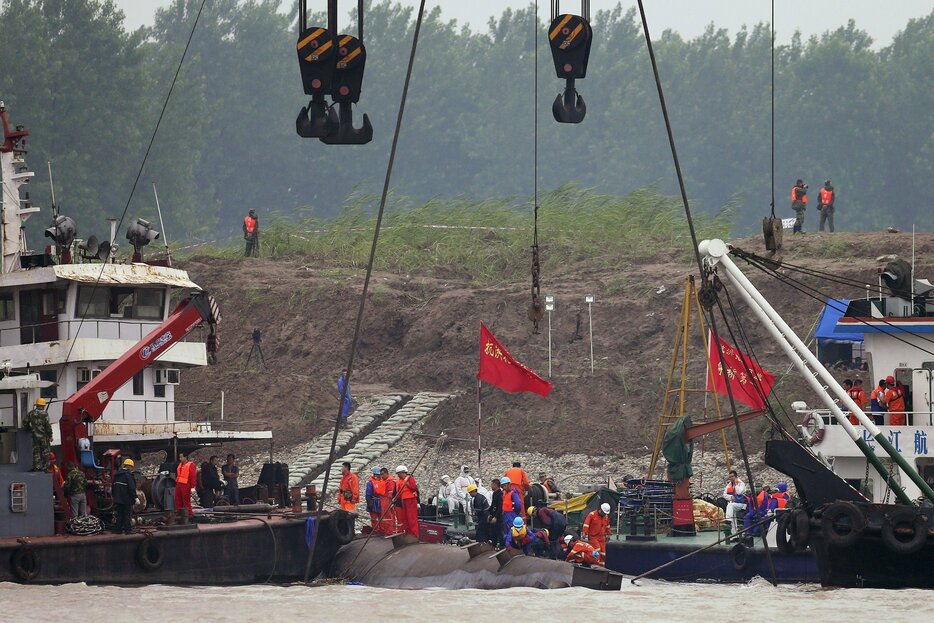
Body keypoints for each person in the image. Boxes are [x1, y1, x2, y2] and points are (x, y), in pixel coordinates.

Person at [23, 397, 53, 471]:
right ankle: (46, 468)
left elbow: (25, 422)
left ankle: (37, 467)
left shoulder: (31, 413)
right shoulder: (45, 414)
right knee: (46, 452)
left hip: (35, 436)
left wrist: (30, 429)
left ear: (37, 405)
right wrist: (50, 435)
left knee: (36, 452)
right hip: (44, 437)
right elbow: (48, 426)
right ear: (42, 405)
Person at [113, 458, 137, 534]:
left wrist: (114, 497)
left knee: (119, 514)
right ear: (129, 466)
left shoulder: (117, 475)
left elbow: (113, 487)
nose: (131, 469)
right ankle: (128, 530)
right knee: (127, 515)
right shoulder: (128, 475)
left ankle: (118, 530)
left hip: (118, 499)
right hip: (127, 499)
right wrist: (135, 497)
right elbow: (131, 488)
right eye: (131, 467)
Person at [395, 465, 420, 538]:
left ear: (402, 472)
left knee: (412, 519)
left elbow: (414, 488)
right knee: (406, 519)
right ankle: (408, 535)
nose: (398, 475)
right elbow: (399, 492)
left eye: (399, 473)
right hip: (404, 500)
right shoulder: (400, 481)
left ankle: (414, 536)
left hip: (411, 500)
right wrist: (396, 498)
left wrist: (408, 485)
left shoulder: (409, 478)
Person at [723, 470, 747, 537]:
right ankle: (734, 534)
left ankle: (728, 521)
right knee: (730, 508)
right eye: (730, 477)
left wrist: (736, 484)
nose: (731, 478)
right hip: (733, 504)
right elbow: (724, 495)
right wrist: (730, 497)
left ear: (736, 476)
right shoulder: (729, 485)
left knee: (730, 506)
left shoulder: (741, 484)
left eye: (732, 476)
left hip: (741, 504)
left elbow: (739, 492)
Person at [175, 452, 197, 521]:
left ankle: (189, 514)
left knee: (186, 501)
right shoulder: (180, 465)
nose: (180, 458)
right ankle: (179, 513)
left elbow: (193, 476)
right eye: (179, 457)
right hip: (179, 484)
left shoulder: (190, 465)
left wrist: (193, 487)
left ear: (185, 457)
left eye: (181, 457)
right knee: (178, 499)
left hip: (185, 484)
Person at [500, 476, 523, 542]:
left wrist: (515, 513)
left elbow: (518, 505)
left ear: (508, 484)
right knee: (507, 531)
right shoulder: (505, 493)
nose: (503, 488)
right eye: (502, 486)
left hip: (512, 515)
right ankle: (508, 544)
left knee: (512, 531)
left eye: (504, 486)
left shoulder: (513, 493)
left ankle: (514, 545)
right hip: (506, 514)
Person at [379, 467, 399, 533]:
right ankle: (387, 530)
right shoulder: (384, 481)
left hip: (387, 500)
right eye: (380, 474)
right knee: (385, 516)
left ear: (387, 473)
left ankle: (390, 531)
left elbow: (391, 493)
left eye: (382, 474)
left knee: (388, 516)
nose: (381, 476)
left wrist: (391, 503)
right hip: (383, 499)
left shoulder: (390, 482)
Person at [365, 467, 384, 533]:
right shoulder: (370, 483)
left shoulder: (382, 481)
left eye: (379, 475)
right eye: (377, 474)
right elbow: (368, 494)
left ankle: (382, 530)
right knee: (374, 518)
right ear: (374, 474)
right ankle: (375, 530)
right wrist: (369, 503)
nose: (378, 476)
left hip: (380, 502)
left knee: (382, 517)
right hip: (373, 502)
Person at [488, 477, 504, 548]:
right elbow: (493, 505)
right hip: (493, 515)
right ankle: (493, 545)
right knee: (493, 532)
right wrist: (490, 514)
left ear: (495, 485)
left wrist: (496, 517)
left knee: (499, 532)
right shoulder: (494, 494)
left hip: (498, 517)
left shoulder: (500, 494)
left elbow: (500, 507)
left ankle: (501, 546)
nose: (491, 486)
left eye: (492, 484)